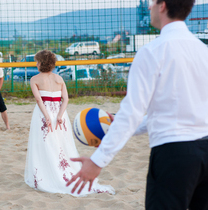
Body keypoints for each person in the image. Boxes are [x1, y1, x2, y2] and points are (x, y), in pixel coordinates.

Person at [66, 0, 208, 209]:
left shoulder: (152, 52)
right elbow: (169, 112)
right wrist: (123, 127)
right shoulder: (203, 50)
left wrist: (98, 161)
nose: (149, 7)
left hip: (173, 154)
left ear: (163, 5)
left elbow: (131, 113)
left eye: (152, 2)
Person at [24, 50, 115, 196]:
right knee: (61, 142)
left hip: (44, 112)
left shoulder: (34, 79)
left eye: (37, 61)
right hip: (60, 113)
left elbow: (38, 100)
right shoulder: (59, 78)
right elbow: (65, 99)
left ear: (41, 63)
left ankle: (48, 172)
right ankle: (59, 169)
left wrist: (46, 115)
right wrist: (59, 115)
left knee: (45, 142)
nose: (36, 64)